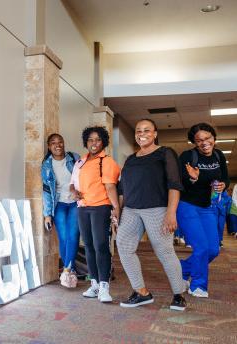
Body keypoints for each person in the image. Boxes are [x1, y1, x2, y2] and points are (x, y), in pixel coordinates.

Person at [116, 119, 187, 311]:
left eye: (147, 130)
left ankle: (179, 293)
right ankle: (142, 292)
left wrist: (171, 213)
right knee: (123, 247)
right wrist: (118, 212)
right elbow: (123, 189)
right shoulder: (131, 159)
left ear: (155, 133)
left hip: (157, 209)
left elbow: (174, 184)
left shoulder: (165, 153)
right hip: (130, 210)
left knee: (164, 251)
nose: (142, 133)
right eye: (138, 130)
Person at [178, 123, 229, 298]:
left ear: (214, 138)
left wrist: (223, 185)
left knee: (213, 249)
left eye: (207, 138)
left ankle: (184, 269)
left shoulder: (218, 155)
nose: (204, 142)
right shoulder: (187, 156)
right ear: (194, 142)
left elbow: (224, 178)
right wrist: (192, 179)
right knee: (201, 247)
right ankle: (198, 285)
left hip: (208, 207)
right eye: (199, 140)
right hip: (187, 205)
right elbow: (177, 184)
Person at [70, 126, 120, 302]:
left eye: (98, 139)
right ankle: (94, 284)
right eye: (90, 140)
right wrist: (74, 192)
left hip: (100, 208)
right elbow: (72, 184)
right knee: (89, 246)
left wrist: (116, 208)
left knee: (101, 246)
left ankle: (105, 286)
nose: (94, 143)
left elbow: (110, 187)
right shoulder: (80, 162)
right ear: (86, 142)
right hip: (82, 208)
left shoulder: (106, 161)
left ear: (103, 142)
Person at [42, 134, 81, 288]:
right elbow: (46, 191)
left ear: (64, 144)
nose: (57, 145)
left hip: (74, 202)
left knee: (73, 235)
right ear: (49, 146)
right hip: (58, 204)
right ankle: (70, 271)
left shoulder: (74, 158)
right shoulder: (46, 165)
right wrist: (47, 214)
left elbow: (83, 178)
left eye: (60, 142)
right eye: (53, 143)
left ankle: (66, 270)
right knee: (63, 237)